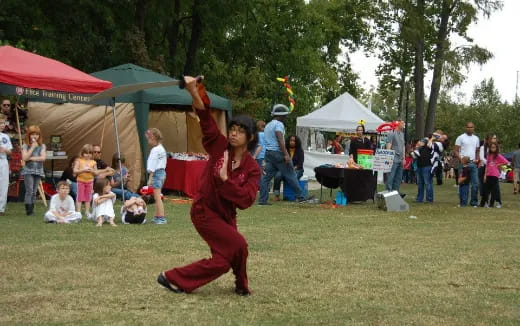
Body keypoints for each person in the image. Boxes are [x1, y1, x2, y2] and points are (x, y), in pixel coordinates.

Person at [157, 76, 260, 296]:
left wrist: (226, 180)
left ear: (250, 137)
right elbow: (205, 117)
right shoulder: (219, 146)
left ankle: (175, 279)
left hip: (226, 216)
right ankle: (176, 276)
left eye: (240, 130)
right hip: (204, 211)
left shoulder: (252, 168)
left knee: (223, 261)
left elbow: (246, 200)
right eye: (232, 128)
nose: (233, 133)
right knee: (239, 244)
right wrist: (194, 90)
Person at [258, 104, 312, 205]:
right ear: (281, 115)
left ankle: (262, 200)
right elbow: (280, 139)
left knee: (266, 178)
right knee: (291, 174)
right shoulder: (279, 124)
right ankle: (301, 197)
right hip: (278, 153)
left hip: (269, 153)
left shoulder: (268, 125)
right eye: (285, 115)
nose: (286, 117)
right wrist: (286, 154)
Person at [21, 125, 46, 216]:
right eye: (32, 134)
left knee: (34, 191)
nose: (35, 136)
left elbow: (43, 158)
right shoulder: (25, 146)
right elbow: (24, 158)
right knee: (29, 190)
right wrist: (32, 148)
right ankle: (28, 210)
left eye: (37, 134)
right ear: (29, 135)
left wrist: (31, 158)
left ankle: (32, 208)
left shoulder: (42, 146)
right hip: (28, 171)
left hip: (38, 170)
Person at [453, 122, 480, 207]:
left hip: (473, 163)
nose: (470, 128)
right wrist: (461, 159)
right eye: (468, 127)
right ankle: (463, 202)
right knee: (464, 183)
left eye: (471, 127)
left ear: (474, 128)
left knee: (475, 184)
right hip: (464, 163)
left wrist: (477, 159)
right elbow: (456, 150)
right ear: (465, 128)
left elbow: (477, 150)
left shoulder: (476, 138)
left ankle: (474, 202)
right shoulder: (460, 137)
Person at [146, 128, 168, 224]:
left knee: (157, 197)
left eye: (148, 139)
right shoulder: (161, 148)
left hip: (157, 174)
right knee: (157, 196)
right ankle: (157, 216)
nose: (148, 141)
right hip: (162, 173)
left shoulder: (155, 150)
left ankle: (161, 218)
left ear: (153, 138)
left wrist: (150, 178)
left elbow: (152, 166)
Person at [272, 135, 304, 201]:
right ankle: (276, 195)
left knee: (294, 177)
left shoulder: (300, 150)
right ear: (288, 141)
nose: (292, 142)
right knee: (277, 176)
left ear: (296, 142)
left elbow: (300, 164)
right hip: (285, 169)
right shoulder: (284, 150)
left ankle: (298, 196)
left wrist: (293, 168)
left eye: (294, 141)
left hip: (297, 169)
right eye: (291, 140)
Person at [480, 142, 508, 208]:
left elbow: (506, 162)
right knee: (486, 190)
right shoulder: (488, 155)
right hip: (488, 175)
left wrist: (499, 164)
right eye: (491, 147)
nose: (493, 149)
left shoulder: (498, 155)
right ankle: (485, 203)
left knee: (493, 190)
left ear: (496, 148)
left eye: (494, 147)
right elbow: (487, 165)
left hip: (495, 175)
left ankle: (491, 204)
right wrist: (485, 175)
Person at [73, 144, 98, 216]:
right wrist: (83, 170)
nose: (88, 155)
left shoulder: (93, 162)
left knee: (88, 197)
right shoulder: (79, 160)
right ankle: (78, 212)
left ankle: (87, 211)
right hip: (80, 181)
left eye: (90, 153)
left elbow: (96, 173)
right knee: (80, 196)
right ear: (82, 153)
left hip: (90, 181)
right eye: (86, 153)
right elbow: (75, 171)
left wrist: (92, 171)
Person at [385, 120, 406, 196]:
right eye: (402, 123)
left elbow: (403, 146)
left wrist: (404, 158)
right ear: (397, 124)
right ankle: (388, 192)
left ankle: (395, 192)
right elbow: (388, 146)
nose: (404, 124)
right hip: (393, 159)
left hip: (400, 159)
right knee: (390, 176)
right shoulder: (391, 133)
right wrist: (388, 158)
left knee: (398, 177)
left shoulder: (402, 134)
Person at [413, 138, 434, 203]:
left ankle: (429, 199)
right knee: (420, 183)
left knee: (427, 183)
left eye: (421, 141)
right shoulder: (419, 149)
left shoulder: (428, 147)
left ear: (425, 143)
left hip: (427, 167)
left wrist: (430, 139)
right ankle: (419, 198)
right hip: (419, 167)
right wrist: (416, 149)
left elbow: (430, 143)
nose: (419, 142)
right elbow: (414, 157)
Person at [0, 114, 13, 216]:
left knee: (4, 184)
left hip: (3, 161)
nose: (2, 125)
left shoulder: (6, 137)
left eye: (3, 123)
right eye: (0, 123)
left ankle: (1, 209)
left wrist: (5, 150)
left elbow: (10, 151)